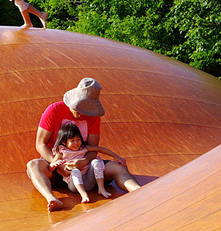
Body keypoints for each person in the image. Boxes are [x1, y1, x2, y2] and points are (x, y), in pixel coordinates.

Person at [26, 78, 142, 211]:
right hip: (56, 166)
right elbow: (40, 144)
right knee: (33, 166)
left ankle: (139, 191)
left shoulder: (93, 116)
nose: (81, 114)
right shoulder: (54, 110)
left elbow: (93, 148)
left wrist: (84, 162)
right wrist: (59, 165)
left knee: (118, 168)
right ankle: (51, 198)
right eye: (79, 108)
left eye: (86, 110)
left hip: (83, 169)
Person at [50, 121, 122, 204]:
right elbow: (51, 167)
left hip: (88, 181)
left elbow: (99, 149)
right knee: (75, 171)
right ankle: (83, 194)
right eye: (72, 140)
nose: (76, 143)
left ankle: (101, 188)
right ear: (64, 142)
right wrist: (54, 165)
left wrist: (116, 156)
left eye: (78, 139)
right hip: (74, 185)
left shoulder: (83, 148)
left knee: (96, 161)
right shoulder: (61, 151)